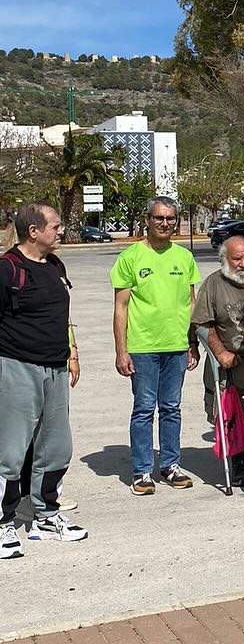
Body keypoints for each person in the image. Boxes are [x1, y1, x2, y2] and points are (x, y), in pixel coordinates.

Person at [1, 203, 86, 559]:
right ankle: (3, 522)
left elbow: (62, 315)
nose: (61, 229)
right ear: (33, 231)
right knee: (10, 451)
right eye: (55, 225)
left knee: (56, 447)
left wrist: (72, 352)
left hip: (55, 368)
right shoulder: (6, 269)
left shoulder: (54, 265)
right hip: (17, 366)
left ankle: (46, 516)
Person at [111, 196, 201, 496]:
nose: (165, 223)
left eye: (170, 219)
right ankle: (142, 470)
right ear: (147, 220)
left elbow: (191, 303)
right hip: (143, 347)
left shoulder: (184, 258)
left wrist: (193, 342)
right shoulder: (131, 257)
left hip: (176, 346)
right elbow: (121, 307)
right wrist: (121, 350)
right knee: (144, 408)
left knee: (172, 408)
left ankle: (171, 465)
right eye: (159, 218)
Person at [191, 235, 244, 487]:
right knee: (230, 413)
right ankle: (239, 458)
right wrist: (220, 352)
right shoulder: (213, 284)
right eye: (236, 258)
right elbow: (201, 323)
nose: (243, 263)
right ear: (224, 260)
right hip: (227, 362)